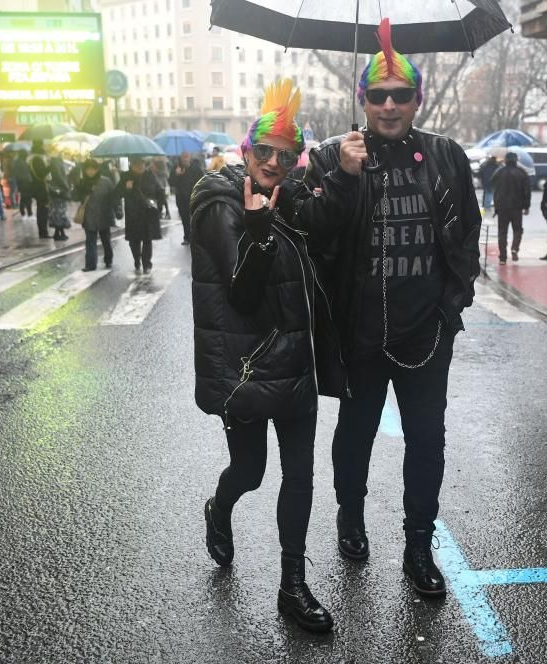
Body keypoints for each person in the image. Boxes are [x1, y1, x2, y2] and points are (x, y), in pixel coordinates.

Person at [298, 18, 481, 599]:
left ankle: (418, 545)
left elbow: (466, 237)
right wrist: (347, 179)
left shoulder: (447, 156)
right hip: (360, 335)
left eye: (402, 94)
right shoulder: (333, 157)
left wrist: (452, 309)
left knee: (428, 439)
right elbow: (314, 238)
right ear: (363, 99)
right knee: (355, 433)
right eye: (378, 95)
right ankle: (350, 517)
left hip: (425, 333)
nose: (390, 105)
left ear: (417, 99)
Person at [190, 79, 335, 633]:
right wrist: (255, 229)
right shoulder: (219, 204)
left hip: (295, 365)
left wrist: (339, 178)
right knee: (250, 471)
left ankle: (292, 586)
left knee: (300, 478)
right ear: (246, 151)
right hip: (246, 372)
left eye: (286, 153)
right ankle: (219, 507)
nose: (274, 162)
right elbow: (243, 294)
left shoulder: (294, 201)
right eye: (264, 151)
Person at [117, 158, 162, 274]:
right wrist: (126, 188)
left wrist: (158, 204)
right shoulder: (126, 176)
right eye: (136, 164)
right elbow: (117, 193)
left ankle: (146, 264)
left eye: (141, 163)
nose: (139, 166)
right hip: (133, 214)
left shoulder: (149, 175)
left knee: (147, 239)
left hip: (147, 213)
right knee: (134, 240)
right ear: (131, 165)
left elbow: (159, 190)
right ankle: (137, 259)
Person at [73, 159, 118, 271]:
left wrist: (117, 210)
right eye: (88, 169)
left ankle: (108, 260)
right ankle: (90, 264)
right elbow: (74, 197)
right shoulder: (83, 182)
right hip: (89, 215)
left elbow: (113, 198)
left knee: (106, 240)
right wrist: (78, 187)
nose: (90, 172)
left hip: (104, 215)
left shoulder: (106, 181)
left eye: (93, 169)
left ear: (97, 169)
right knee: (90, 241)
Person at [490, 151, 530, 265]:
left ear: (506, 160)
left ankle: (502, 257)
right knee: (517, 230)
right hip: (517, 207)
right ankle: (514, 248)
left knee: (502, 232)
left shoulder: (499, 172)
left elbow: (491, 183)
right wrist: (526, 206)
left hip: (502, 207)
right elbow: (527, 191)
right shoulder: (522, 173)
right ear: (516, 160)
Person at [169, 152, 204, 244]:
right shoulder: (176, 168)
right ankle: (187, 237)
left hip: (194, 196)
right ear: (180, 157)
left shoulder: (196, 167)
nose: (185, 159)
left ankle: (197, 237)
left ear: (190, 157)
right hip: (181, 198)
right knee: (184, 218)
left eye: (187, 156)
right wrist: (177, 174)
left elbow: (202, 180)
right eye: (183, 157)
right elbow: (171, 183)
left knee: (195, 218)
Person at [29, 141, 51, 239]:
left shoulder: (34, 158)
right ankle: (43, 232)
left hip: (38, 188)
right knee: (43, 211)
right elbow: (41, 174)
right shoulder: (37, 159)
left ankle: (43, 231)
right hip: (40, 188)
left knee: (42, 210)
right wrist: (50, 167)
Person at [47, 156, 71, 241]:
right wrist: (67, 188)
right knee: (60, 214)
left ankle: (58, 233)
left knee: (56, 214)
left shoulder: (51, 167)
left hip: (55, 196)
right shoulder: (58, 168)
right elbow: (62, 180)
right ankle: (59, 233)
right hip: (60, 195)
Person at [12, 150, 33, 220]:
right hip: (25, 183)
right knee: (27, 199)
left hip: (23, 183)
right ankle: (28, 213)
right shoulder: (21, 163)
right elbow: (25, 173)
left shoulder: (18, 162)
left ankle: (24, 213)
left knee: (24, 198)